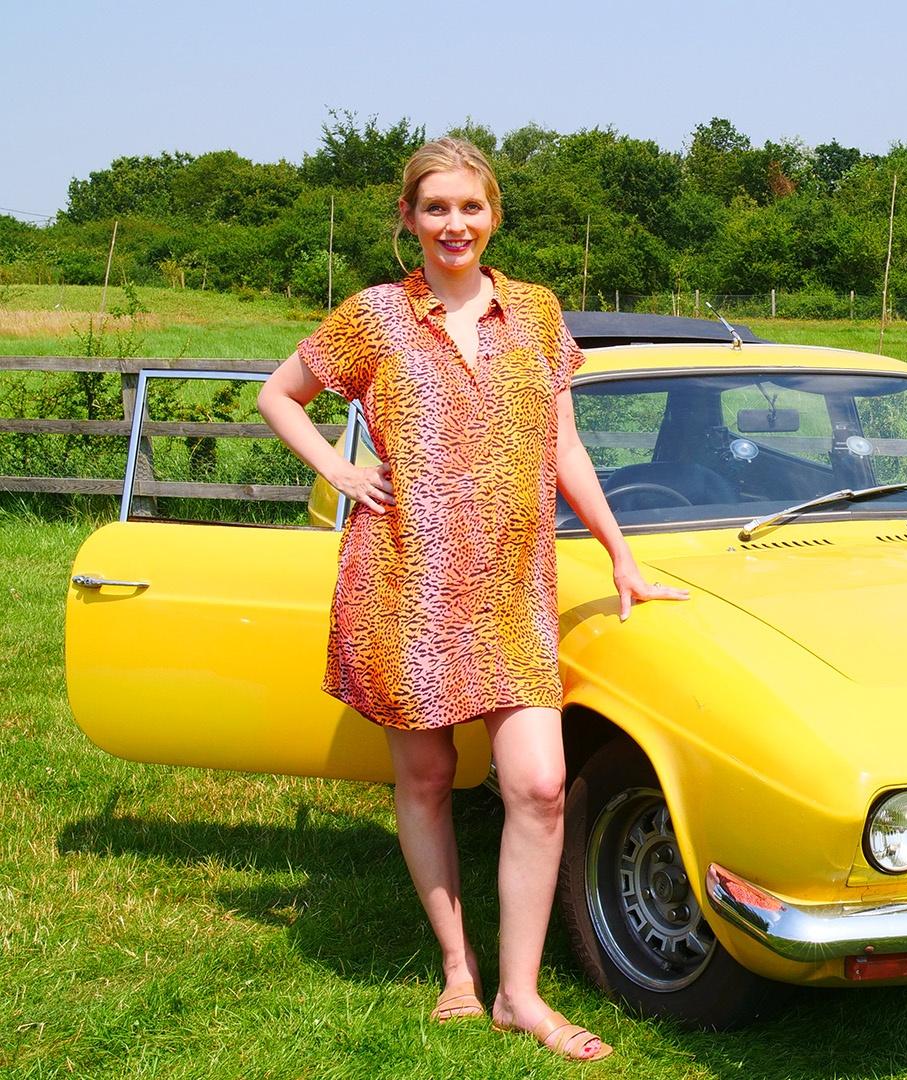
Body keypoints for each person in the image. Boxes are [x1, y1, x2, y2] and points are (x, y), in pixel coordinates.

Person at [258, 137, 687, 1060]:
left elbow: (563, 445)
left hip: (511, 584)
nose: (455, 224)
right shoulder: (374, 315)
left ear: (493, 215)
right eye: (436, 208)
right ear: (409, 218)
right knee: (424, 778)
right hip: (405, 579)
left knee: (538, 784)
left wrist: (619, 553)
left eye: (470, 207)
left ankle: (518, 995)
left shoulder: (535, 311)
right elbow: (279, 395)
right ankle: (458, 967)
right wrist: (340, 469)